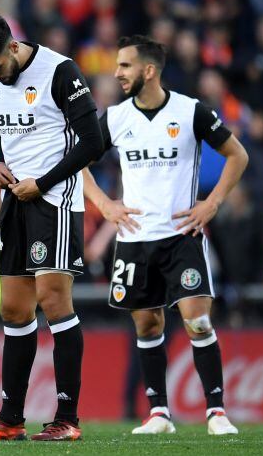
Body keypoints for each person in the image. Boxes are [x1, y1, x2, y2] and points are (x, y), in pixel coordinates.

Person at [83, 35, 248, 435]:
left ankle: (216, 412)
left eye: (125, 66)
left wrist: (211, 204)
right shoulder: (115, 118)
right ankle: (159, 413)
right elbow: (76, 163)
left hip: (180, 236)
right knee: (147, 327)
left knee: (197, 322)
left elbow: (237, 155)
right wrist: (105, 205)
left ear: (149, 70)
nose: (117, 73)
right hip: (134, 240)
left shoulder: (190, 112)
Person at [0, 13, 103, 442]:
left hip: (54, 201)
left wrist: (42, 182)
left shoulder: (60, 71)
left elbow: (92, 142)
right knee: (14, 310)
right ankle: (10, 419)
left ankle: (68, 419)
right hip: (14, 200)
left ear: (13, 46)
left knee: (54, 302)